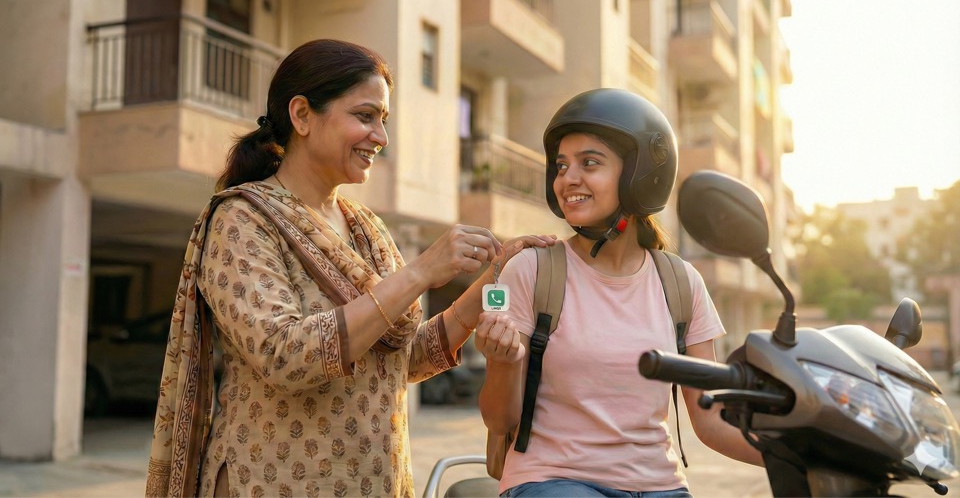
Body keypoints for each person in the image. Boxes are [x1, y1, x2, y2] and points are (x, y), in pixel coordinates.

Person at [144, 39, 555, 498]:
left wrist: (494, 275)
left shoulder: (366, 228)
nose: (381, 137)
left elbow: (399, 361)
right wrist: (420, 272)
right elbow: (283, 356)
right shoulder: (243, 219)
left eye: (383, 120)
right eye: (365, 116)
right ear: (302, 115)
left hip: (374, 481)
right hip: (270, 481)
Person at [474, 89, 763, 497]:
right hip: (554, 480)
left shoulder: (681, 282)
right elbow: (500, 421)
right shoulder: (533, 270)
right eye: (561, 166)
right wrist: (502, 362)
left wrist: (799, 456)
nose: (568, 179)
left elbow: (711, 420)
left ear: (639, 176)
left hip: (660, 485)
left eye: (589, 163)